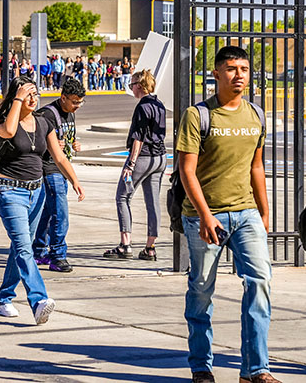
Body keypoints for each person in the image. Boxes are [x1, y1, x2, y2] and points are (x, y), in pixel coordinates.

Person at [176, 46, 278, 383]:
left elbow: (257, 167)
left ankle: (255, 370)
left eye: (245, 69)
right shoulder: (198, 115)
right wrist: (206, 216)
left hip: (246, 213)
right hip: (205, 216)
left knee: (260, 282)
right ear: (216, 73)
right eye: (231, 68)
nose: (239, 75)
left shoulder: (256, 116)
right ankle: (201, 365)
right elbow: (186, 171)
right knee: (202, 291)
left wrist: (264, 213)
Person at [0, 77, 85, 324]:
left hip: (36, 192)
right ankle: (39, 300)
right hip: (10, 192)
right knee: (23, 248)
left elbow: (60, 157)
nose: (33, 99)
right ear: (16, 97)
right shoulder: (4, 122)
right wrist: (18, 98)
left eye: (36, 95)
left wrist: (74, 180)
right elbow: (10, 132)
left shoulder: (43, 123)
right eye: (28, 94)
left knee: (20, 247)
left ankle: (3, 298)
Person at [103, 69, 167, 261]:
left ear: (139, 86)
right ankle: (150, 247)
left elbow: (138, 138)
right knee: (153, 201)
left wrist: (130, 164)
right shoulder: (159, 104)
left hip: (143, 157)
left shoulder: (142, 107)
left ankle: (125, 245)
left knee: (123, 197)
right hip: (160, 157)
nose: (131, 88)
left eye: (131, 85)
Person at [32, 77, 85, 272]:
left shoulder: (70, 113)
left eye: (80, 102)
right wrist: (50, 146)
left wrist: (73, 145)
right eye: (74, 102)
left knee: (47, 213)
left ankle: (38, 251)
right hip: (50, 168)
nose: (77, 106)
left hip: (62, 168)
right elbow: (37, 142)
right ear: (63, 98)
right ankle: (58, 255)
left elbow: (66, 139)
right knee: (60, 214)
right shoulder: (47, 114)